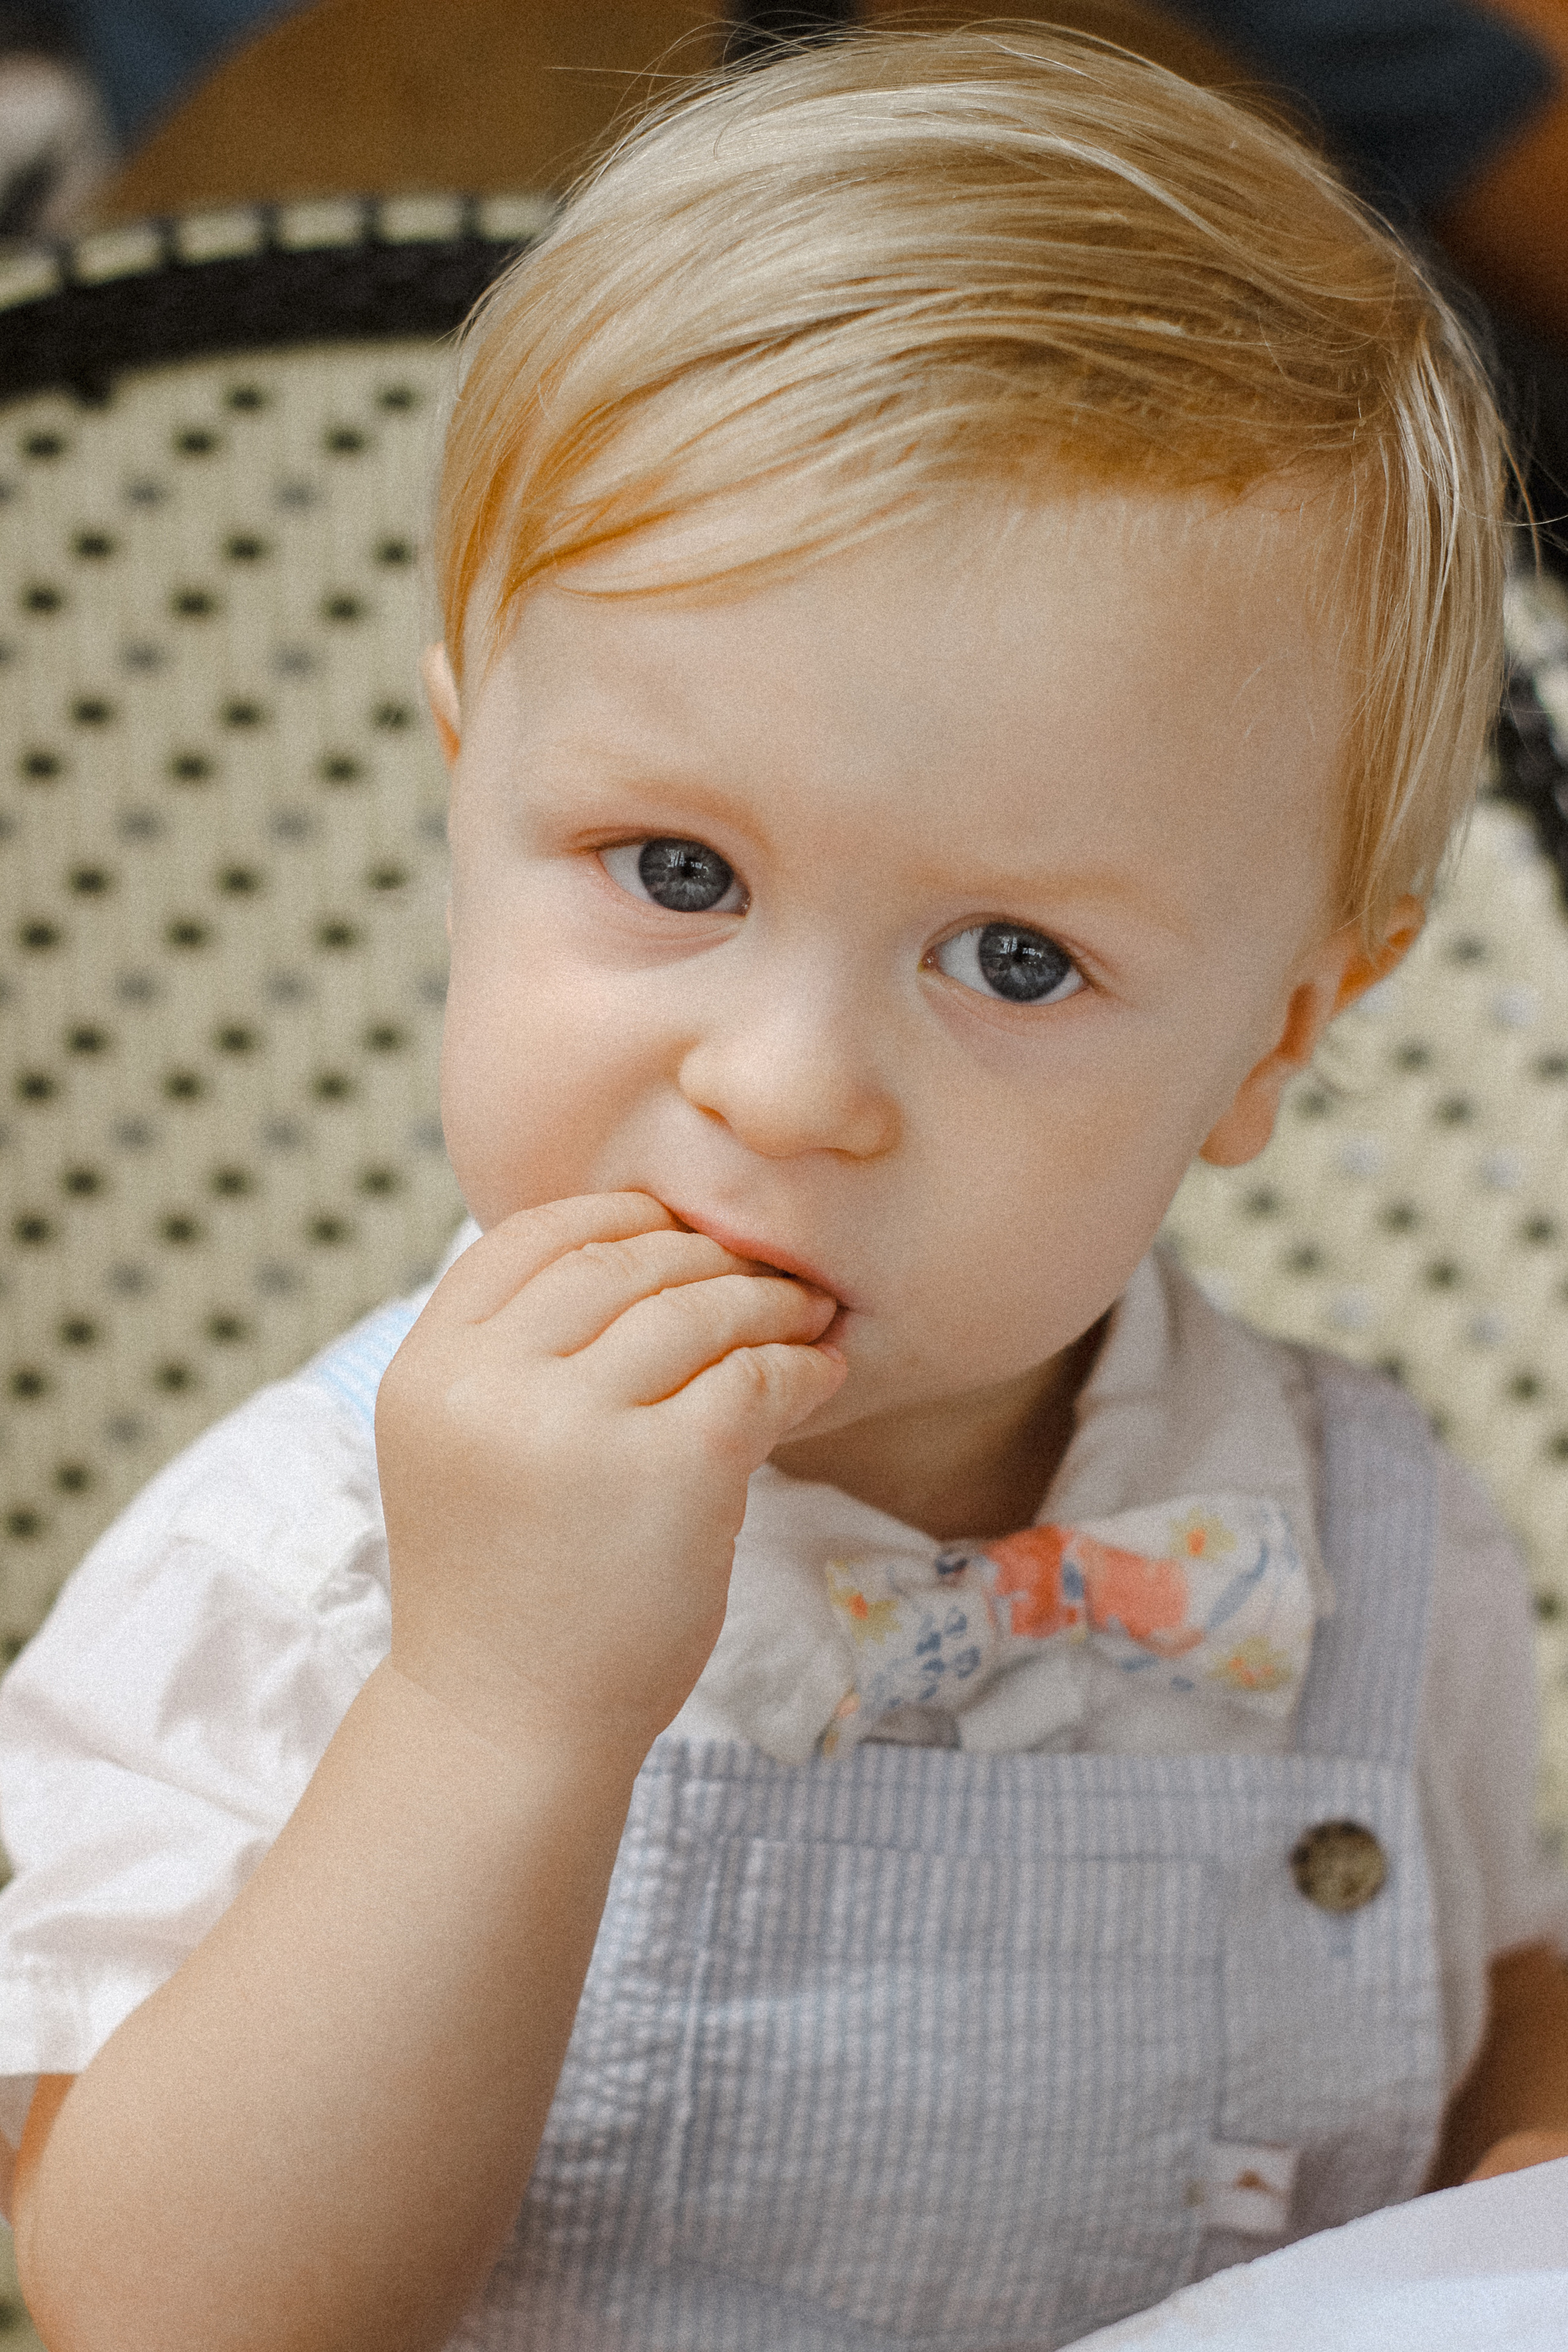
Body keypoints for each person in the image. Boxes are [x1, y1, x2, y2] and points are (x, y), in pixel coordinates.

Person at [1, 25, 1566, 2352]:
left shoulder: (1361, 1541)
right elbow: (155, 2312)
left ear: (1282, 1035)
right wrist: (492, 1713)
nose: (792, 1082)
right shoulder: (299, 1573)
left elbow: (1500, 1983)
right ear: (468, 790)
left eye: (1015, 959)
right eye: (675, 870)